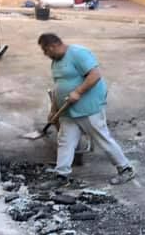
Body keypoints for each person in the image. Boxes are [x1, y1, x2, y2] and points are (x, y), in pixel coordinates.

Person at [37, 33, 135, 185]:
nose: (45, 55)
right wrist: (53, 110)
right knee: (65, 141)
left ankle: (126, 169)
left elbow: (95, 75)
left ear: (52, 46)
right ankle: (61, 176)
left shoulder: (78, 53)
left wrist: (78, 92)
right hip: (68, 111)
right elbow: (58, 88)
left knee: (101, 138)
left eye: (45, 51)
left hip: (88, 108)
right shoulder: (55, 62)